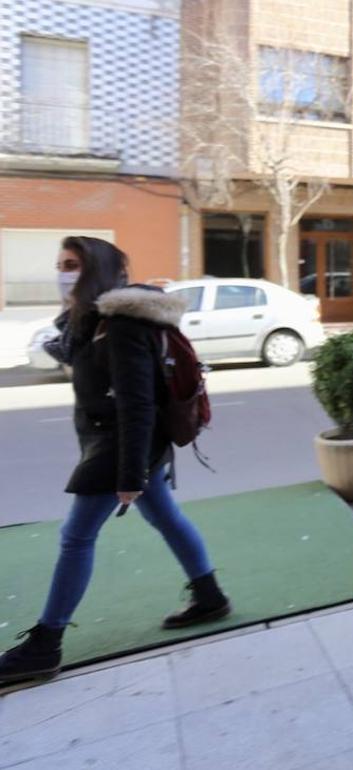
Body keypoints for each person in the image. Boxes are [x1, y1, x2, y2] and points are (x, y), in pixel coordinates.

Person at [0, 237, 230, 687]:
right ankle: (210, 595)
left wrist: (130, 476)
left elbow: (138, 404)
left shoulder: (122, 324)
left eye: (72, 265)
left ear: (96, 271)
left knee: (76, 537)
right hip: (123, 445)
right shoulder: (89, 322)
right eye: (60, 263)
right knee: (165, 516)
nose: (63, 272)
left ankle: (44, 646)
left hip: (121, 448)